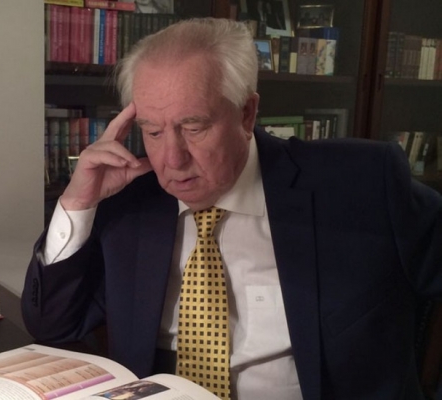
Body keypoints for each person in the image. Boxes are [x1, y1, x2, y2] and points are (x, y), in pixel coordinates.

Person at [22, 18, 442, 399]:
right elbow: (53, 326)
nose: (173, 159)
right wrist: (77, 202)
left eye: (194, 127)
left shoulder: (360, 185)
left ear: (246, 113)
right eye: (152, 131)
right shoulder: (131, 201)